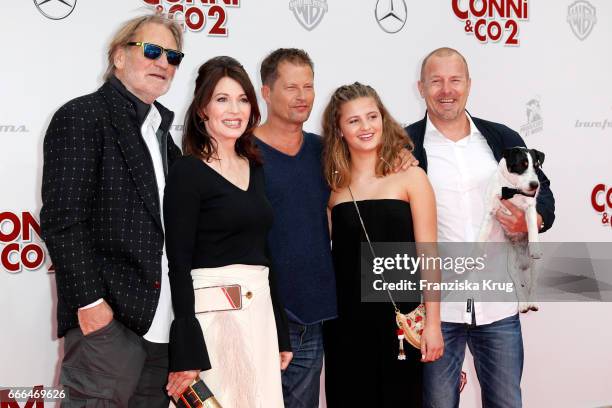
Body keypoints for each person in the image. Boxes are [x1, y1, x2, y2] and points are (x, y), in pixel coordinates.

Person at [40, 15, 184, 407]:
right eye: (151, 51)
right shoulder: (83, 116)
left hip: (161, 330)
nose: (163, 63)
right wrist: (90, 305)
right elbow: (62, 220)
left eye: (173, 56)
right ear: (119, 56)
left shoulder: (164, 137)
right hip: (108, 327)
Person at [406, 47, 556, 408]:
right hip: (439, 311)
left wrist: (530, 220)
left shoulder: (500, 138)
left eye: (455, 80)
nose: (446, 90)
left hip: (498, 305)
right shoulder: (404, 144)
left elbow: (544, 192)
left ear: (469, 85)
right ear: (421, 87)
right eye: (436, 81)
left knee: (506, 403)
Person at [163, 56, 292, 407]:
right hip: (214, 320)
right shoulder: (187, 172)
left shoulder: (255, 166)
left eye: (243, 99)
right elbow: (178, 262)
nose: (235, 109)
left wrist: (280, 330)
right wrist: (187, 346)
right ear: (203, 108)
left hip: (260, 311)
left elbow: (264, 252)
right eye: (222, 99)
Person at [321, 82, 444, 407]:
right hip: (345, 323)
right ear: (339, 128)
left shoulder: (411, 177)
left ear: (383, 119)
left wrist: (432, 323)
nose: (365, 127)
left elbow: (429, 256)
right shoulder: (332, 186)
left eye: (372, 116)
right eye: (354, 120)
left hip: (399, 321)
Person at [254, 48, 338, 407]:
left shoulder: (327, 151)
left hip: (312, 310)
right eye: (291, 87)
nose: (302, 96)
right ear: (266, 92)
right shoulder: (243, 151)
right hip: (257, 313)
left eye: (308, 86)